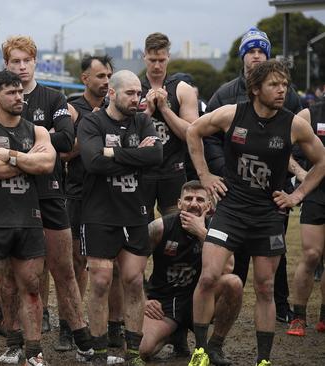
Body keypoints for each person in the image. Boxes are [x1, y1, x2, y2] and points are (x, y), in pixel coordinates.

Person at [186, 60, 325, 366]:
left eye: (285, 85)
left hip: (267, 214)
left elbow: (322, 160)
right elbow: (194, 131)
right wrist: (205, 176)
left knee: (264, 286)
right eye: (274, 85)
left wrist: (298, 194)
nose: (282, 90)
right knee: (209, 276)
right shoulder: (232, 114)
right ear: (255, 88)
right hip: (231, 210)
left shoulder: (294, 124)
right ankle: (201, 350)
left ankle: (263, 360)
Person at [0, 35, 92, 364]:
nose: (21, 67)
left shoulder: (52, 96)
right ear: (7, 65)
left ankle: (80, 338)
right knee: (9, 274)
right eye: (15, 62)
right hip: (10, 196)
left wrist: (20, 149)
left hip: (48, 192)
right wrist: (40, 146)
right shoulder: (0, 99)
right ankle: (15, 340)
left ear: (35, 62)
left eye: (26, 61)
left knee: (63, 268)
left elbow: (65, 138)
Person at [205, 27, 301, 324]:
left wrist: (292, 182)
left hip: (271, 191)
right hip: (234, 188)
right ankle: (227, 309)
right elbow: (205, 134)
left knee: (275, 253)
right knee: (233, 255)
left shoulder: (290, 95)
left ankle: (281, 306)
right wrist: (220, 170)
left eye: (262, 50)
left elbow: (298, 138)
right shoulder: (225, 94)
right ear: (243, 57)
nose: (256, 55)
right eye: (251, 50)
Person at [0, 69, 55, 366]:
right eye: (12, 93)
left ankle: (34, 353)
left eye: (21, 93)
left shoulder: (38, 131)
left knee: (31, 287)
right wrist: (29, 161)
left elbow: (48, 164)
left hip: (29, 220)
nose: (20, 98)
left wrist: (11, 156)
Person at [78, 69, 163, 365]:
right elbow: (92, 162)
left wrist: (113, 153)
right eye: (130, 93)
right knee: (101, 281)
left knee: (134, 281)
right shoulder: (92, 121)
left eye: (139, 93)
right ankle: (99, 353)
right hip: (99, 214)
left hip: (135, 212)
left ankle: (133, 354)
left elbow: (156, 157)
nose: (136, 99)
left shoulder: (143, 120)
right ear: (111, 93)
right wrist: (133, 157)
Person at [140, 180, 242, 366]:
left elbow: (228, 268)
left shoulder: (217, 229)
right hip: (164, 303)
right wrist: (144, 299)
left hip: (202, 300)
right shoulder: (159, 227)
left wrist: (203, 233)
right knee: (144, 351)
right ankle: (174, 333)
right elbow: (133, 267)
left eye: (200, 199)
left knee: (233, 283)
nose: (194, 203)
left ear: (208, 206)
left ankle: (214, 347)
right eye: (188, 199)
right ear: (179, 203)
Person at [64, 55, 124, 351]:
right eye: (100, 76)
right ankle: (71, 326)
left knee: (113, 266)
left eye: (109, 75)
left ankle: (114, 326)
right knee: (76, 263)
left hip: (113, 196)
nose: (105, 81)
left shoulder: (122, 108)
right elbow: (64, 154)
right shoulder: (73, 109)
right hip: (78, 193)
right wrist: (91, 127)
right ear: (85, 78)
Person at [139, 32, 198, 221]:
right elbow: (124, 133)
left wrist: (165, 109)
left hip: (173, 170)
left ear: (169, 57)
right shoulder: (133, 88)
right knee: (138, 231)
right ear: (144, 56)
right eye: (152, 59)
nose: (157, 65)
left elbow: (191, 133)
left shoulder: (182, 89)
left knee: (174, 229)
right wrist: (147, 112)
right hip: (142, 170)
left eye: (162, 60)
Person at [286, 100, 325, 336]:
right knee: (311, 255)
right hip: (317, 193)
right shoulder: (310, 113)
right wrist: (302, 174)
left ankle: (323, 316)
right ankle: (298, 317)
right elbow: (282, 148)